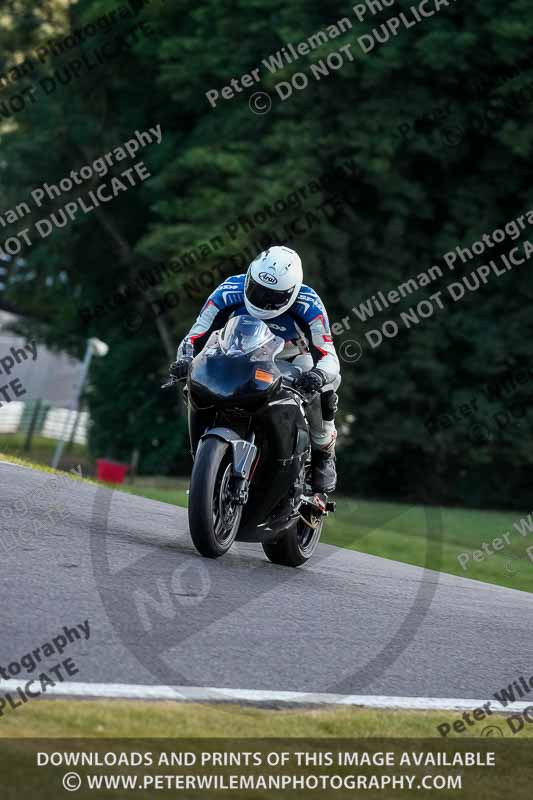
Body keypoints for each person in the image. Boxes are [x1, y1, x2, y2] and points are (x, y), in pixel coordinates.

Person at [170, 246, 340, 493]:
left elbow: (329, 355)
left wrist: (317, 375)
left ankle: (324, 453)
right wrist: (185, 359)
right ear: (249, 277)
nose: (263, 300)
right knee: (193, 380)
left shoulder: (309, 303)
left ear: (292, 292)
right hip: (237, 353)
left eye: (274, 296)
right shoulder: (229, 290)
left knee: (325, 389)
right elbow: (195, 335)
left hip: (291, 359)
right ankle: (205, 451)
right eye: (258, 290)